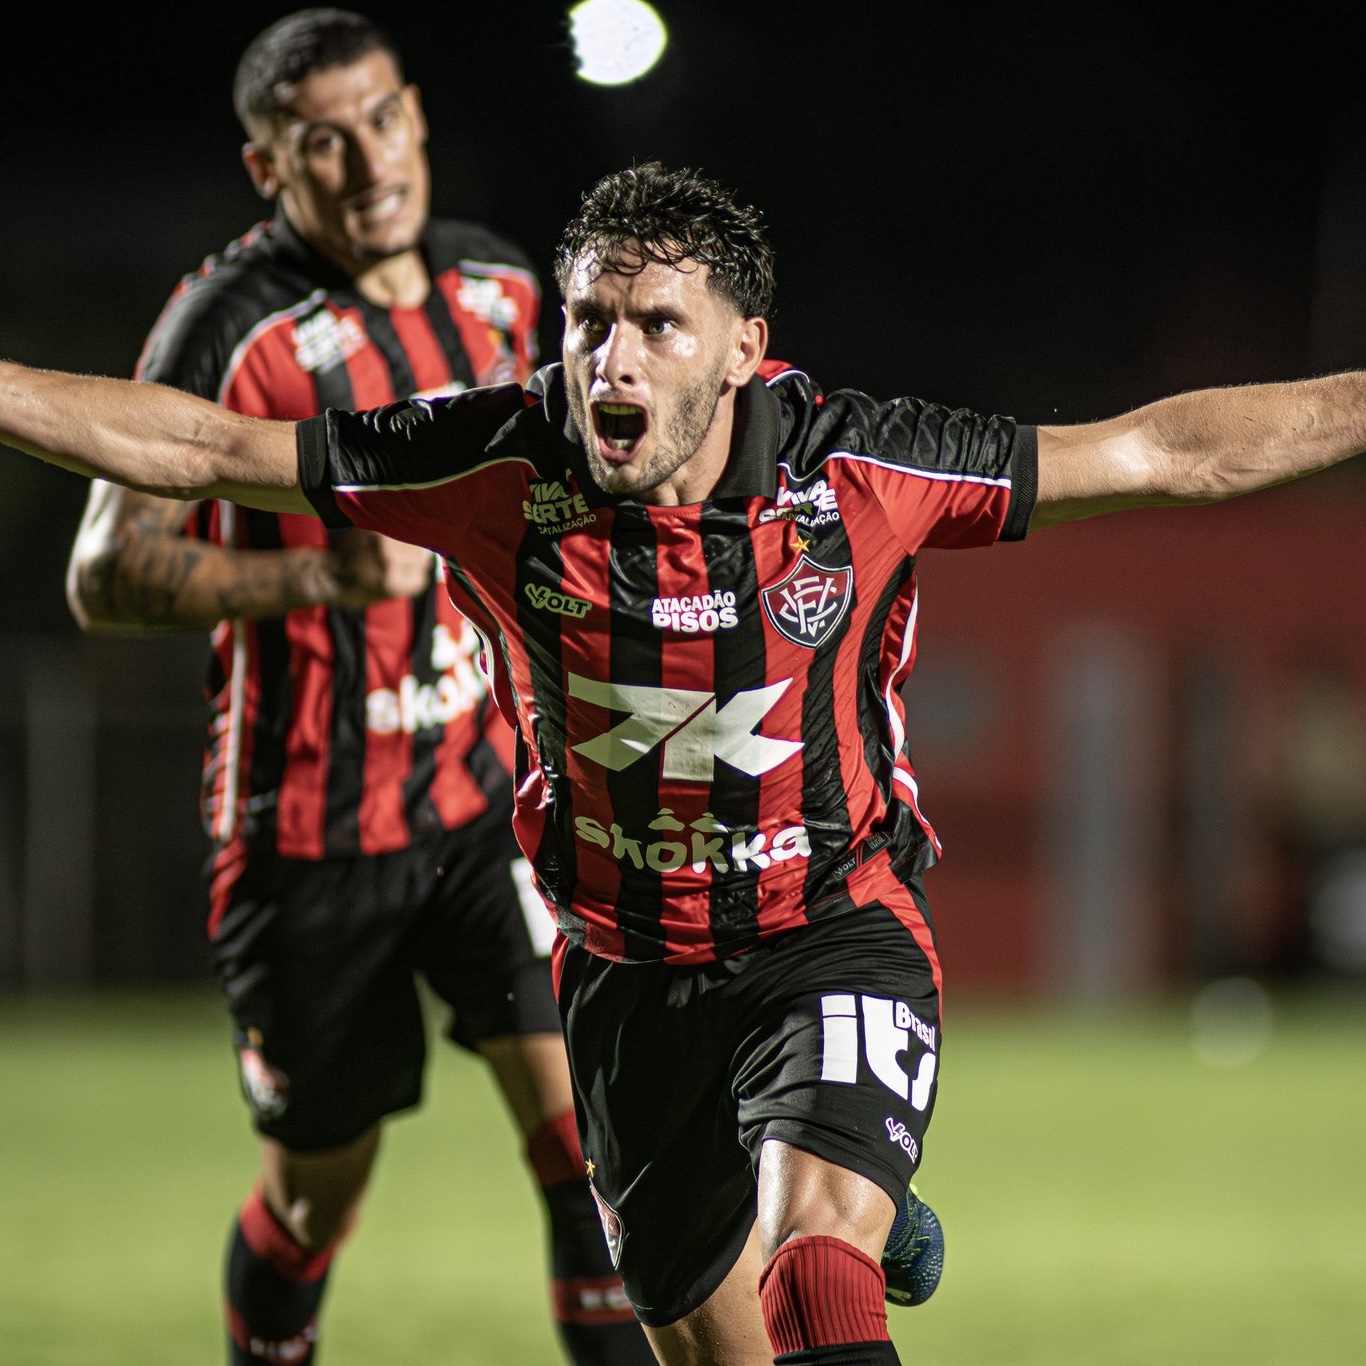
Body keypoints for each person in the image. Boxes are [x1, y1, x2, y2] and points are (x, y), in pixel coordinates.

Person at [7, 160, 1362, 1365]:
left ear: (738, 348)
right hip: (626, 980)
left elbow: (1156, 450)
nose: (613, 359)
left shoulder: (853, 466)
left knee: (817, 1268)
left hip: (829, 928)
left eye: (658, 325)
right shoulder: (490, 458)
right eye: (591, 320)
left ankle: (842, 1177)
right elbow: (204, 445)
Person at [61, 11, 650, 1365]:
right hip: (305, 835)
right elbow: (108, 574)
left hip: (484, 804)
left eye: (382, 118)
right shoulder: (226, 324)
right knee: (316, 1194)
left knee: (585, 1146)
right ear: (270, 169)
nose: (367, 159)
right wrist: (316, 582)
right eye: (320, 142)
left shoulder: (505, 292)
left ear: (420, 118)